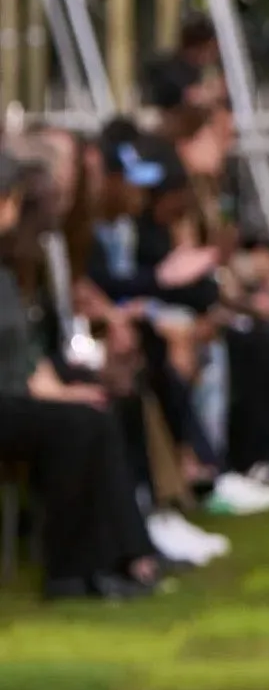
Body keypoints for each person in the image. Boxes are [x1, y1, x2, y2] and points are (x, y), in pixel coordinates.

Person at [0, 153, 160, 598]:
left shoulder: (10, 269)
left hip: (15, 390)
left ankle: (126, 552)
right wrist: (54, 392)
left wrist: (58, 387)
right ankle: (73, 570)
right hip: (9, 396)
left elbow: (25, 352)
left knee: (101, 407)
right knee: (79, 422)